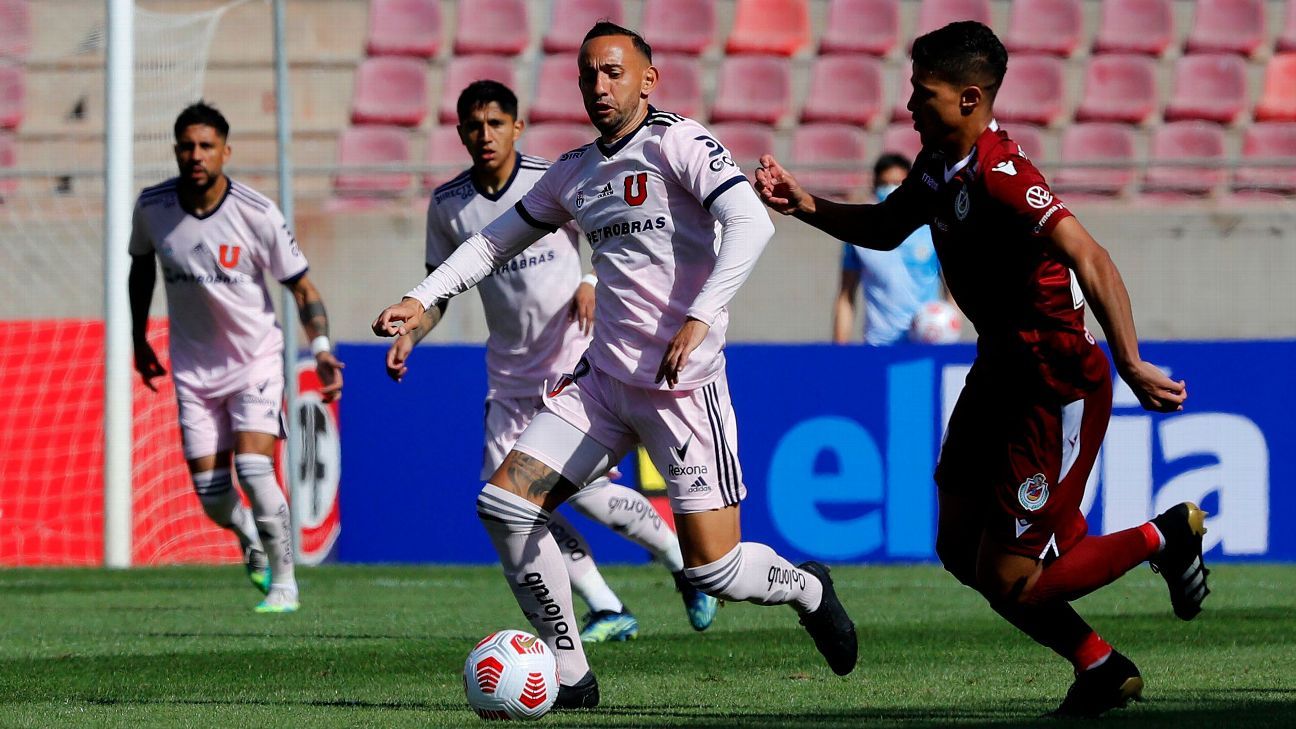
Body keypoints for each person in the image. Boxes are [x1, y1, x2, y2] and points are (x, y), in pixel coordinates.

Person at [374, 22, 857, 709]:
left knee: (715, 569)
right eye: (587, 76)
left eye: (613, 72)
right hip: (601, 384)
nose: (599, 87)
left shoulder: (678, 142)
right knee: (505, 505)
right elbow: (490, 246)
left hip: (682, 389)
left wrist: (702, 314)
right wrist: (420, 296)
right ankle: (571, 674)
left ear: (647, 79)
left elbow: (751, 222)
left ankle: (807, 586)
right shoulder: (574, 171)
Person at [756, 21, 1208, 718]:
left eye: (923, 94)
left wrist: (1132, 362)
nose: (909, 106)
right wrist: (807, 205)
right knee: (956, 546)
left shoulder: (1004, 176)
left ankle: (1165, 536)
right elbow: (885, 228)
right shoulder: (936, 165)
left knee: (1010, 577)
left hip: (1053, 383)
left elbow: (1092, 258)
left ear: (970, 99)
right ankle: (1099, 665)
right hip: (998, 368)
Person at [387, 79, 717, 642]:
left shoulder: (553, 179)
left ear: (517, 127)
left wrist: (589, 280)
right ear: (461, 132)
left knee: (583, 494)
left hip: (569, 368)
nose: (485, 135)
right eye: (473, 125)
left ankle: (683, 568)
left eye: (496, 123)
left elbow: (608, 236)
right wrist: (413, 332)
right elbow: (443, 291)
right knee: (510, 503)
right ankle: (607, 607)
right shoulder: (448, 205)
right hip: (507, 378)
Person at [129, 102, 343, 614]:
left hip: (256, 362)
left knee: (254, 467)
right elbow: (140, 270)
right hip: (194, 369)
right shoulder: (152, 207)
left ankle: (285, 583)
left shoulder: (256, 212)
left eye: (206, 146)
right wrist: (138, 339)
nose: (195, 155)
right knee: (211, 497)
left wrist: (322, 350)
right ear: (176, 150)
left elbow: (302, 287)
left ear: (225, 151)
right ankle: (247, 532)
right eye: (187, 146)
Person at [831, 154, 946, 345]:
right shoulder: (859, 235)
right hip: (878, 343)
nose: (890, 188)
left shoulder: (931, 230)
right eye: (884, 183)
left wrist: (947, 329)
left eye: (897, 182)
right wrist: (839, 350)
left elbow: (950, 290)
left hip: (925, 343)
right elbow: (846, 296)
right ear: (875, 185)